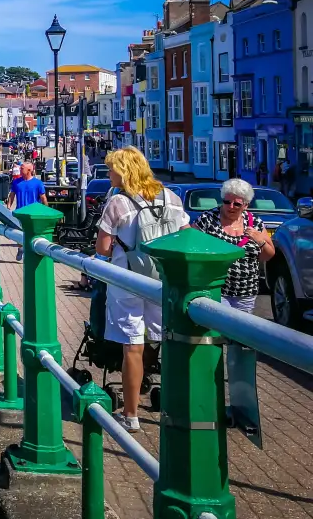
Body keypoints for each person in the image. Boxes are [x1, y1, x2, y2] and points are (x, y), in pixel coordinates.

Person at [95, 146, 188, 432]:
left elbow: (103, 248)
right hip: (161, 280)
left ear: (124, 171)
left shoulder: (118, 203)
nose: (109, 172)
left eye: (112, 168)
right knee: (166, 342)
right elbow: (184, 236)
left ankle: (131, 415)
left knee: (132, 348)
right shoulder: (171, 197)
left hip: (127, 281)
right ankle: (175, 408)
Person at [193, 178, 275, 314]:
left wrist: (259, 240)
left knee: (239, 332)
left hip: (246, 291)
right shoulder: (208, 219)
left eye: (237, 204)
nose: (231, 207)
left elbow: (268, 255)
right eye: (227, 202)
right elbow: (191, 244)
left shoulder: (255, 223)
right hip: (215, 288)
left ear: (246, 205)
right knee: (221, 326)